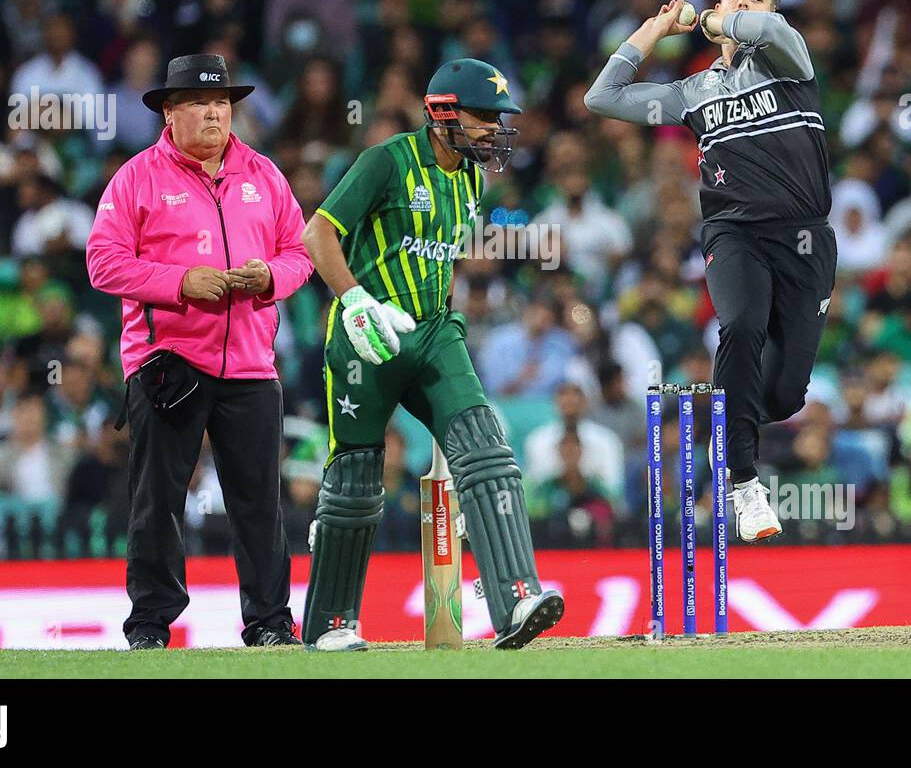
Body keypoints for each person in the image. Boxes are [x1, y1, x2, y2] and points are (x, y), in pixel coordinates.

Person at [298, 57, 564, 651]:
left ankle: (518, 597)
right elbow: (317, 233)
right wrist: (357, 301)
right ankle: (331, 625)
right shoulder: (386, 160)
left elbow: (435, 255)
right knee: (357, 478)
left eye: (499, 118)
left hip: (434, 329)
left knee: (485, 445)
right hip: (367, 335)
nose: (495, 129)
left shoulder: (471, 176)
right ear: (443, 114)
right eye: (485, 117)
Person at [585, 0, 835, 542]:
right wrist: (656, 28)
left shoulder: (789, 59)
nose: (745, 5)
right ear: (717, 4)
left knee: (784, 393)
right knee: (742, 325)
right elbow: (603, 98)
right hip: (734, 233)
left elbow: (769, 32)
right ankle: (743, 483)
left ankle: (727, 417)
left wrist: (718, 19)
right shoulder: (693, 92)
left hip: (804, 239)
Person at [86, 53, 314, 649]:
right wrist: (179, 282)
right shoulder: (136, 177)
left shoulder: (263, 173)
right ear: (169, 111)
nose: (214, 114)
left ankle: (268, 622)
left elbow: (302, 251)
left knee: (259, 500)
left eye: (221, 104)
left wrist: (269, 277)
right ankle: (150, 626)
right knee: (157, 500)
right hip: (169, 365)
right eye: (198, 103)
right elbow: (103, 262)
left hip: (250, 364)